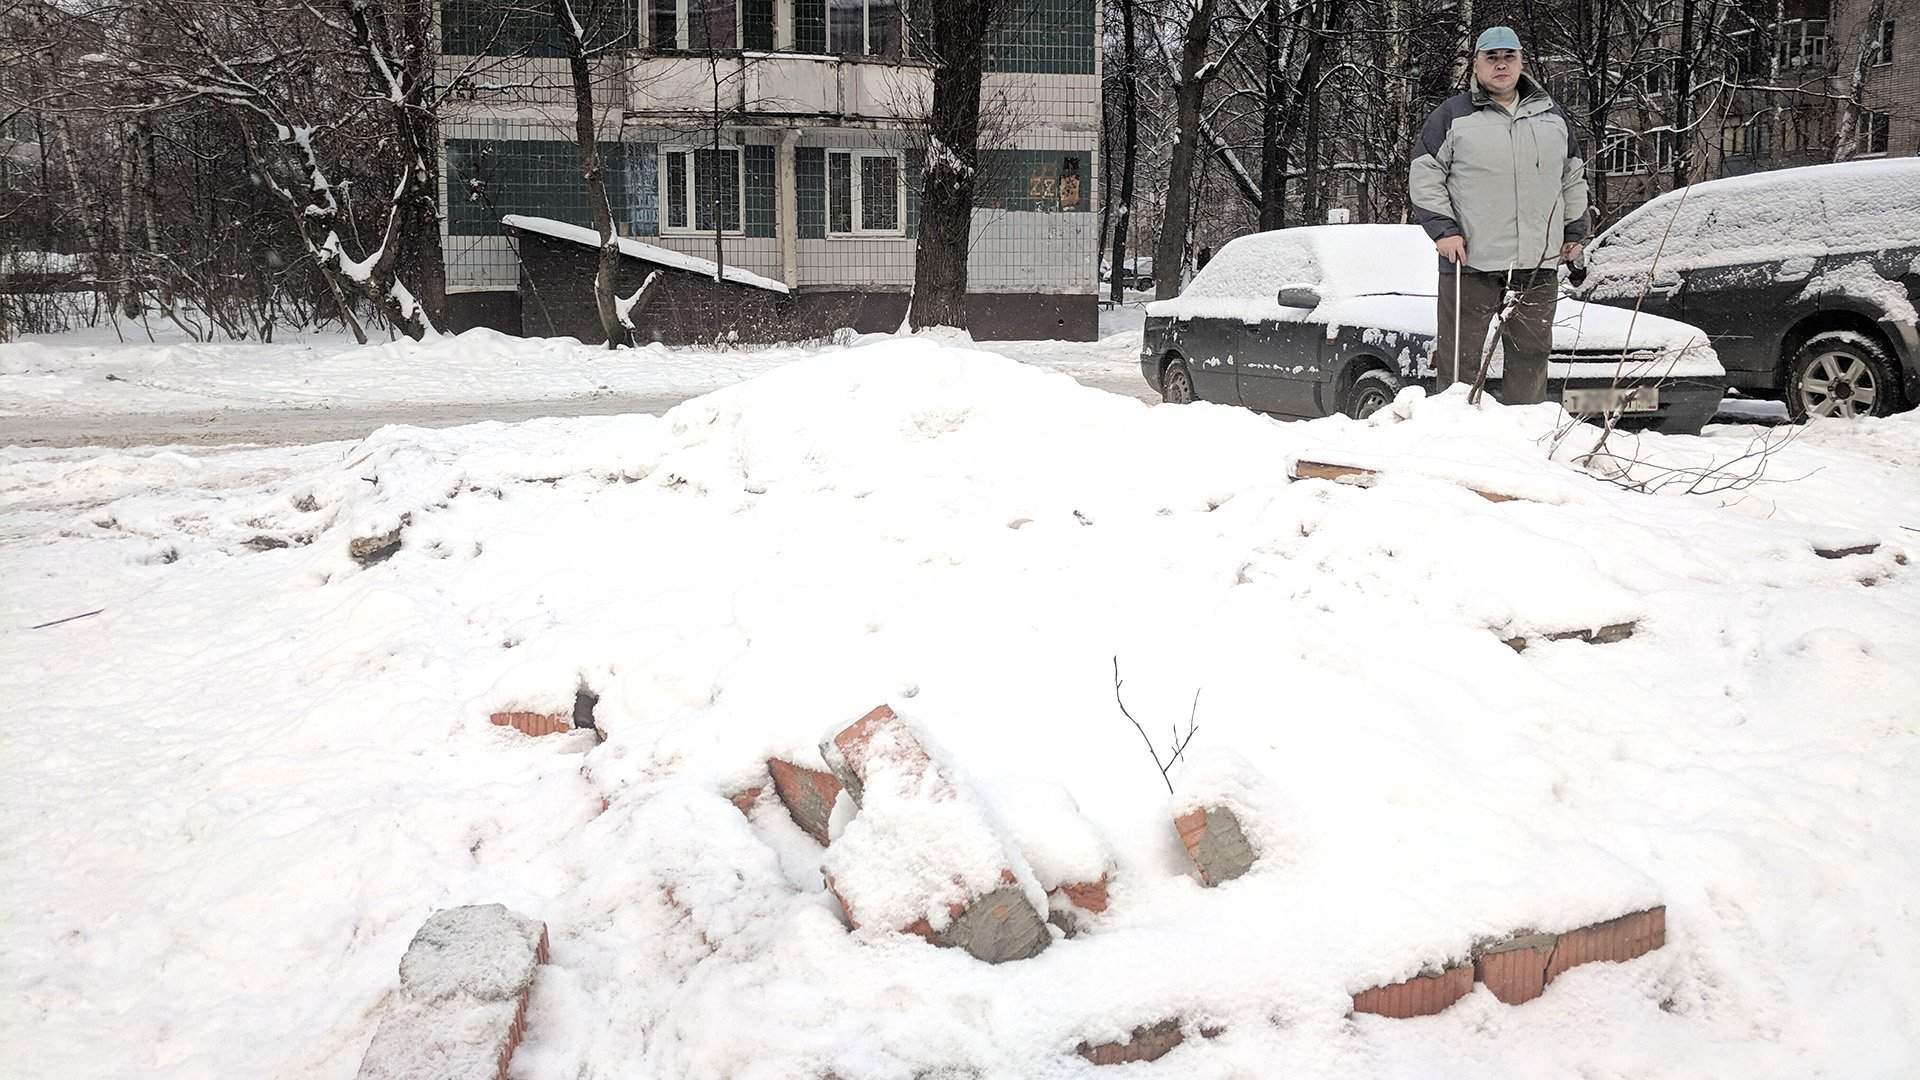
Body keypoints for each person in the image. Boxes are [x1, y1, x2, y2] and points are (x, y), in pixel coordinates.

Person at [1409, 26, 1590, 404]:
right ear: (1476, 64)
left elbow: (1572, 177)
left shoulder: (1551, 116)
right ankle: (1457, 438)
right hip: (1470, 262)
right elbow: (1425, 176)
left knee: (1532, 359)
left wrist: (1574, 231)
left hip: (1537, 263)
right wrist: (1444, 231)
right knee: (1460, 364)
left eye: (1509, 56)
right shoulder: (1452, 116)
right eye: (1491, 57)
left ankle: (1523, 440)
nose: (1501, 64)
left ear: (1521, 61)